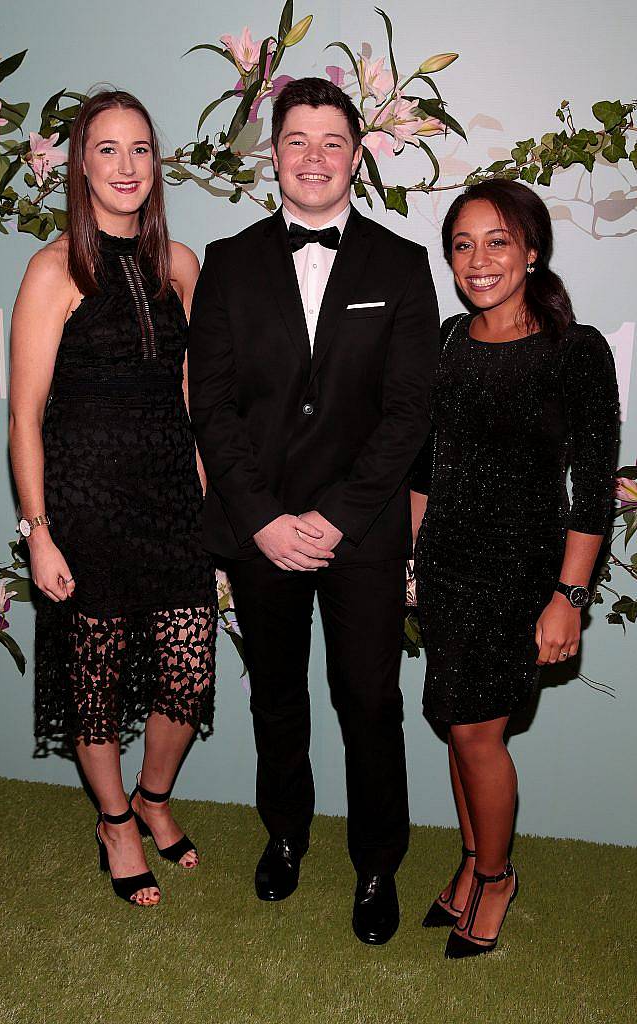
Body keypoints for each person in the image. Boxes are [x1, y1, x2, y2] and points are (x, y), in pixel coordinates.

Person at [188, 77, 440, 944]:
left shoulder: (401, 266)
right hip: (259, 530)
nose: (314, 158)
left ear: (357, 157)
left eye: (332, 142)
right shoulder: (227, 260)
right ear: (275, 156)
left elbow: (409, 411)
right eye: (297, 140)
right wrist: (259, 518)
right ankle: (284, 834)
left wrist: (335, 518)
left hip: (360, 532)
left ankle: (377, 864)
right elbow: (210, 407)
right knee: (278, 699)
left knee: (367, 699)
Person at [9, 90, 216, 907]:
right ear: (81, 165)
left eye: (139, 149)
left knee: (187, 675)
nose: (126, 166)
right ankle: (114, 821)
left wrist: (205, 495)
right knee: (92, 684)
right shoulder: (55, 267)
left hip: (171, 501)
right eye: (107, 150)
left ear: (155, 164)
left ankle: (153, 797)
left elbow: (195, 398)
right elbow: (24, 414)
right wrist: (39, 532)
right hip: (86, 503)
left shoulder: (183, 267)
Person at [411, 178, 620, 957]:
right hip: (444, 567)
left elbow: (592, 486)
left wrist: (568, 596)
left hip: (520, 574)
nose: (478, 259)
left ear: (532, 252)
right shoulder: (444, 341)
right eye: (462, 245)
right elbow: (425, 469)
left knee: (475, 734)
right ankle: (472, 862)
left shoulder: (575, 350)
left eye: (497, 241)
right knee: (456, 728)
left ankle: (497, 878)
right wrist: (413, 560)